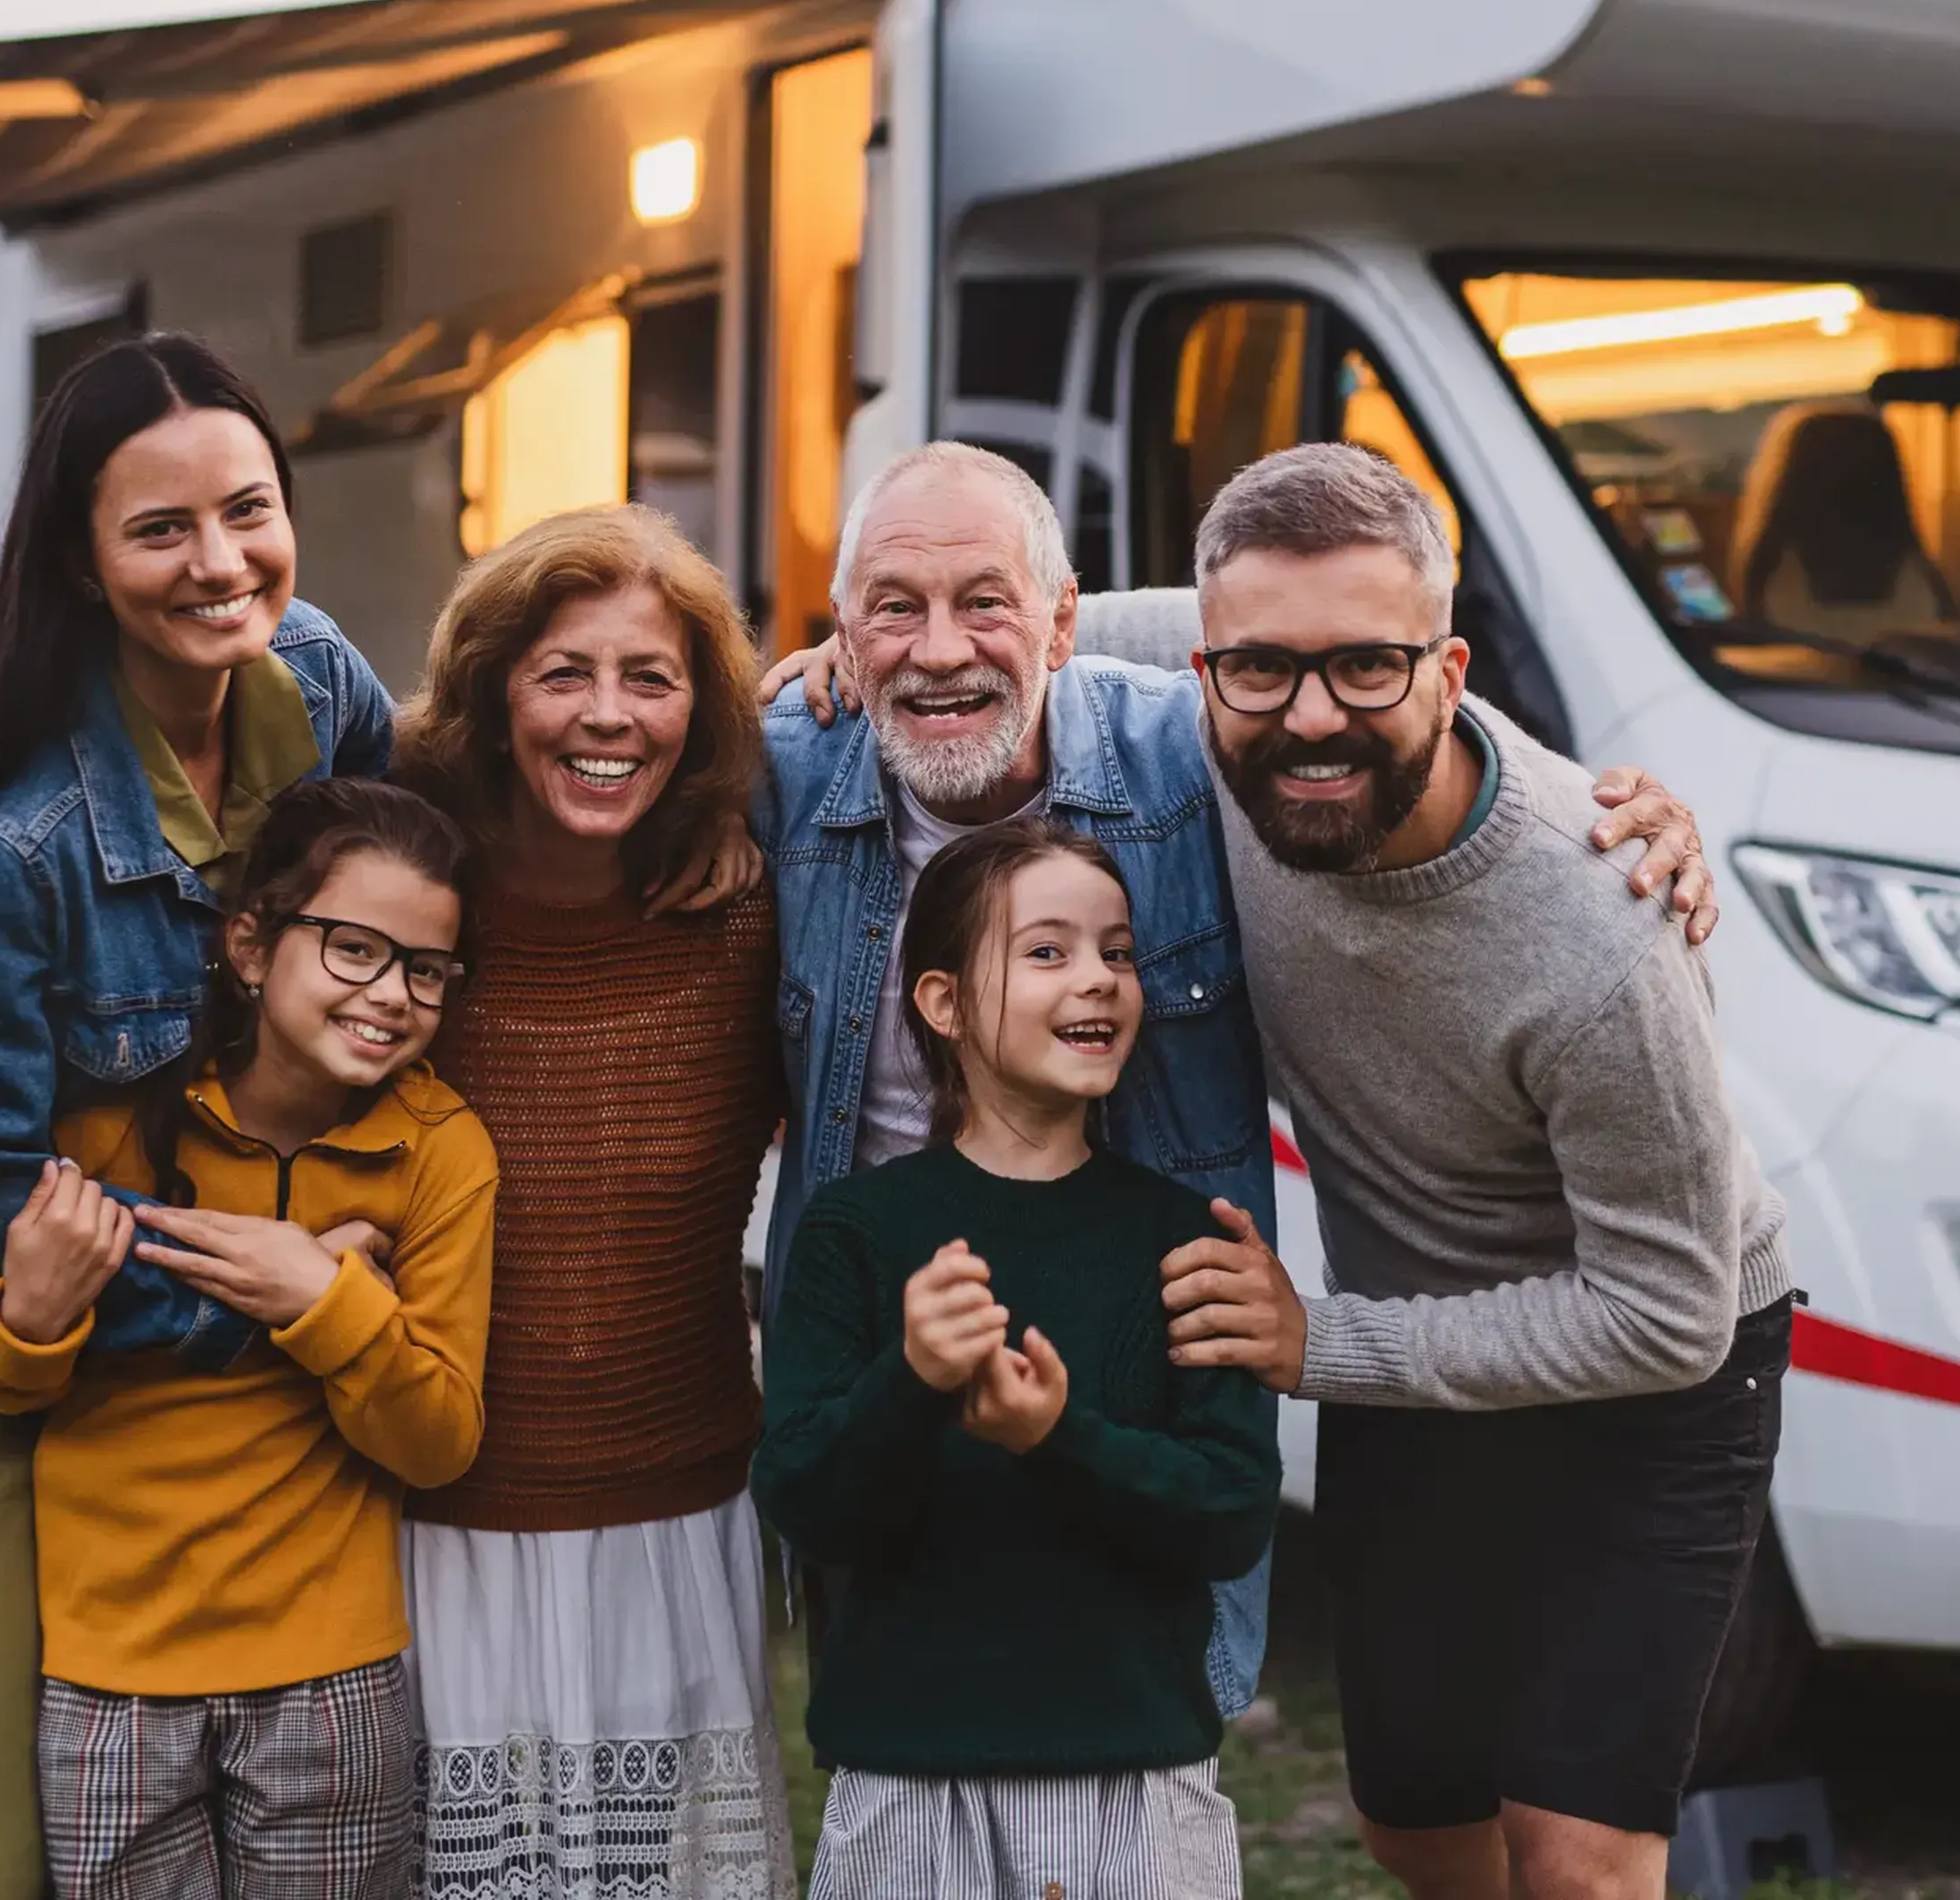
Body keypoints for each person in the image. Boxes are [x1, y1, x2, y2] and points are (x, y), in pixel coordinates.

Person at [755, 443, 1717, 1719]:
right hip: (892, 1367)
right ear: (842, 626)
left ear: (1059, 621)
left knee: (1141, 1770)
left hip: (1144, 1386)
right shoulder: (776, 769)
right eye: (892, 608)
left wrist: (1594, 806)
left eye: (986, 604)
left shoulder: (1193, 758)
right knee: (900, 1755)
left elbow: (1366, 682)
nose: (939, 650)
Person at [1095, 444, 1794, 1900]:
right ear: (1211, 655)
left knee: (1582, 1867)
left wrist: (1321, 1341)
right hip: (1425, 1345)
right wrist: (830, 662)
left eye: (1365, 669)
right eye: (1260, 672)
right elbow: (1000, 621)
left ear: (1446, 665)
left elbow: (1666, 1313)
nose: (1309, 719)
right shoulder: (1227, 666)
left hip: (1657, 1378)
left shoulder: (1598, 937)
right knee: (1416, 1820)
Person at [0, 333, 393, 1900]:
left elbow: (444, 883)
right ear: (79, 564)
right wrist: (281, 1290)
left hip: (184, 1358)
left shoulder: (326, 689)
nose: (222, 562)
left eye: (249, 508)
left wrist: (772, 713)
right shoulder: (19, 844)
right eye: (160, 528)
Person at [0, 777, 498, 1900]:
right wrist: (35, 1319)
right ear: (251, 945)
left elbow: (439, 1439)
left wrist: (320, 1298)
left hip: (331, 1673)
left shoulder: (439, 1151)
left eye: (426, 968)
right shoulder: (110, 1123)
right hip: (109, 1672)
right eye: (352, 948)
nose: (389, 993)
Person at [386, 502, 798, 1900]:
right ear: (494, 691)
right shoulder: (409, 911)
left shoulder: (750, 912)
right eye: (564, 673)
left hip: (675, 1518)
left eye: (652, 677)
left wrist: (840, 661)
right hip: (435, 1522)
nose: (607, 716)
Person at [756, 818, 1281, 1900]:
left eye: (1118, 951)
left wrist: (1059, 1439)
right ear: (942, 1002)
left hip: (1138, 1785)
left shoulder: (1190, 1238)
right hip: (911, 1783)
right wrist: (912, 1379)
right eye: (1048, 952)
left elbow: (1231, 1515)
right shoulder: (855, 1232)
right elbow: (805, 1505)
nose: (1097, 980)